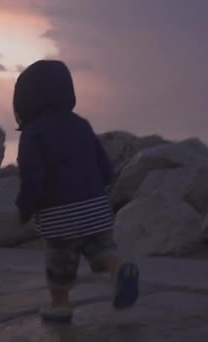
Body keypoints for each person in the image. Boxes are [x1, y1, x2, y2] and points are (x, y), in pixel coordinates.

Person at [13, 59, 139, 323]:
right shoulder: (81, 124)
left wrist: (25, 208)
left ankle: (60, 307)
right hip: (95, 208)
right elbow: (103, 164)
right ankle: (118, 269)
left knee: (60, 263)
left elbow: (32, 177)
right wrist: (101, 192)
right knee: (101, 250)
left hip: (59, 215)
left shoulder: (33, 133)